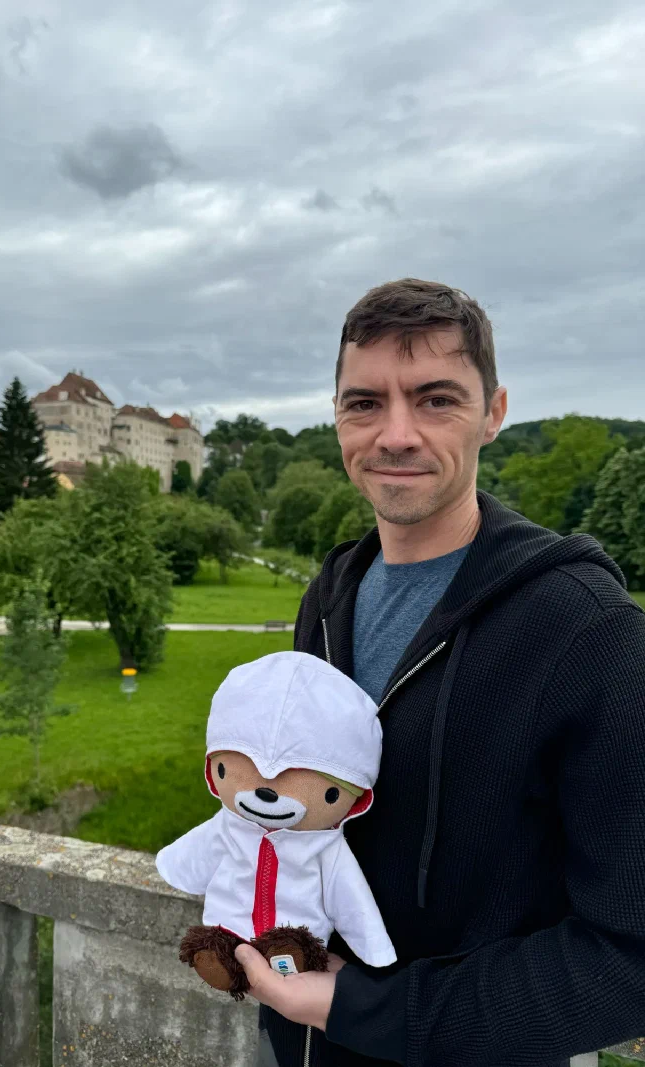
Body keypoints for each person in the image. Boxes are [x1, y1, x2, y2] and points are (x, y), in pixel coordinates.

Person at [233, 279, 645, 1067]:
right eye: (364, 404)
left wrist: (374, 1009)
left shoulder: (586, 631)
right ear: (336, 421)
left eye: (435, 399)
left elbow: (630, 952)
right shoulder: (330, 596)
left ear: (493, 412)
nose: (396, 434)